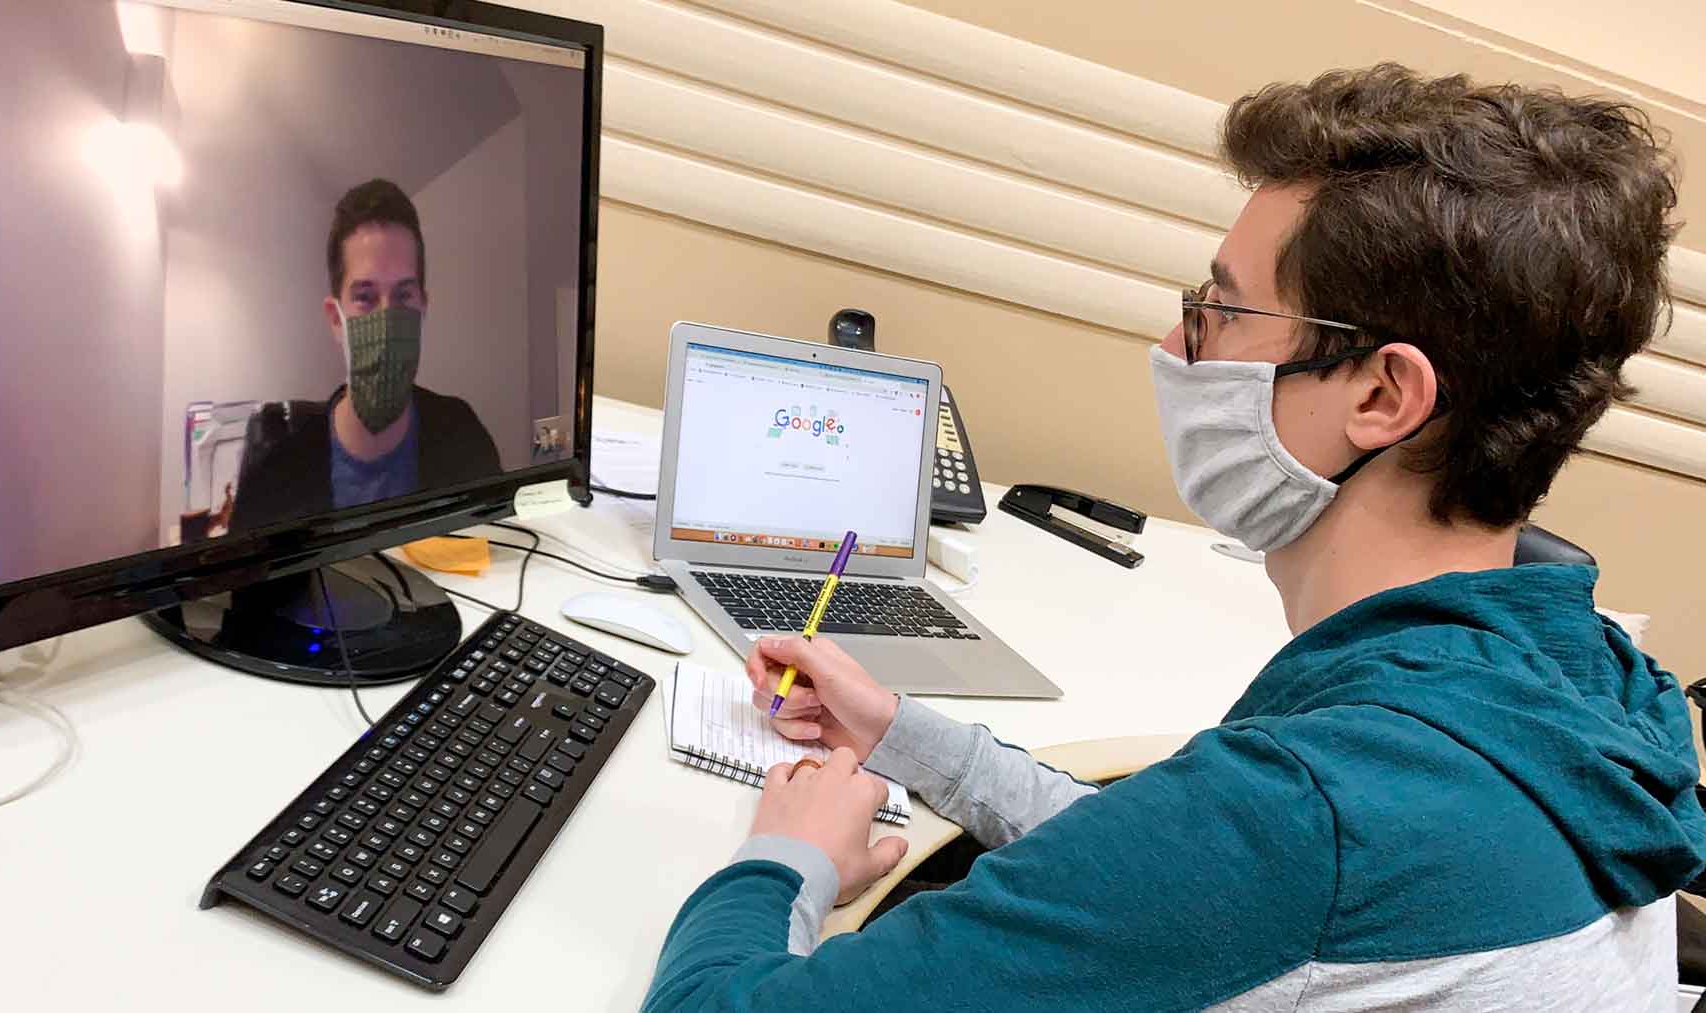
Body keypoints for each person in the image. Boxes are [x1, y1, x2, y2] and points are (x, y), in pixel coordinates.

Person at [640, 64, 1706, 1010]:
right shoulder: (1576, 676)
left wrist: (787, 857)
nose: (1175, 343)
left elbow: (1243, 852)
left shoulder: (1314, 812)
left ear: (1383, 394)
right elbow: (1176, 867)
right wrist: (903, 734)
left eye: (1219, 309)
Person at [230, 179, 500, 533]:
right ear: (335, 319)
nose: (387, 319)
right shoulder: (274, 475)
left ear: (423, 307)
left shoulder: (465, 437)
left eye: (403, 296)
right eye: (365, 297)